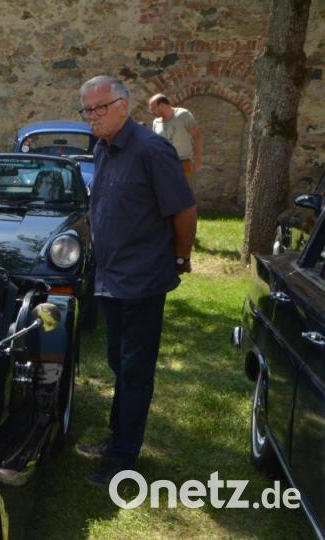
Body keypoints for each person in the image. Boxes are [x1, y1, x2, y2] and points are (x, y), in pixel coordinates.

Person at [75, 76, 198, 486]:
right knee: (119, 363)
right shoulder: (103, 148)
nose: (93, 116)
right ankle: (118, 439)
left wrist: (180, 258)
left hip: (142, 280)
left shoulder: (151, 149)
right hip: (110, 278)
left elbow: (184, 210)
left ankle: (122, 460)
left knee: (134, 372)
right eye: (87, 110)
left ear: (124, 106)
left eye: (100, 107)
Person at [148, 94, 203, 178]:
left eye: (153, 109)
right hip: (166, 166)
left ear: (162, 105)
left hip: (185, 163)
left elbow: (197, 136)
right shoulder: (156, 123)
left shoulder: (183, 115)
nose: (152, 112)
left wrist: (197, 159)